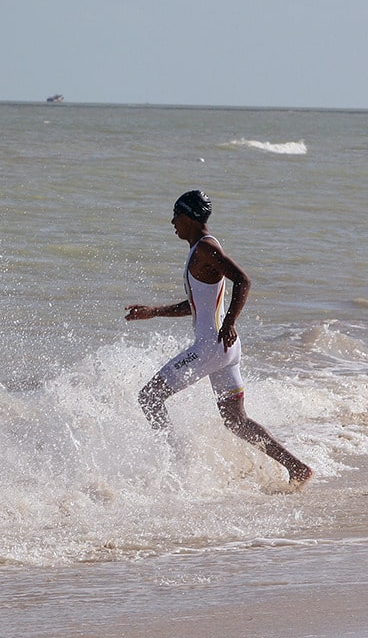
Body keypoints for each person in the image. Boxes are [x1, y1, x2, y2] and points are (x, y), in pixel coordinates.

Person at [124, 189, 312, 488]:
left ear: (187, 217)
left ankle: (175, 462)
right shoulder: (202, 249)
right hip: (224, 349)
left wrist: (229, 321)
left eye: (176, 215)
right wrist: (154, 311)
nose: (172, 222)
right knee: (236, 421)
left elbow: (243, 279)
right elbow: (197, 305)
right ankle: (297, 468)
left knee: (149, 397)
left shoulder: (205, 248)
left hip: (211, 347)